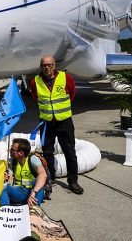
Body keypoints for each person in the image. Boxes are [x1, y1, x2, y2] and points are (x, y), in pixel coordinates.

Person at [30, 55, 84, 195]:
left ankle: (73, 181)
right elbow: (36, 98)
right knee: (47, 151)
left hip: (64, 122)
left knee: (69, 151)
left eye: (50, 65)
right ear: (40, 66)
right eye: (44, 65)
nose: (47, 67)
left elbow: (72, 94)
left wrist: (59, 110)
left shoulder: (66, 78)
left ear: (54, 65)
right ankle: (50, 178)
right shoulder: (35, 81)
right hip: (47, 122)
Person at [0, 138, 47, 207]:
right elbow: (9, 181)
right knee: (4, 187)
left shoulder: (33, 159)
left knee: (39, 182)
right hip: (19, 192)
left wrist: (33, 192)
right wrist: (6, 179)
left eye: (12, 150)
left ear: (21, 153)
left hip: (32, 193)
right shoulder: (12, 162)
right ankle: (5, 209)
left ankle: (34, 208)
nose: (10, 151)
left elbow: (43, 175)